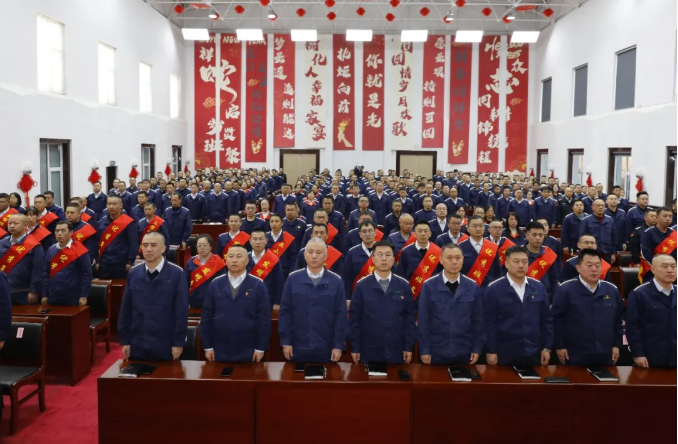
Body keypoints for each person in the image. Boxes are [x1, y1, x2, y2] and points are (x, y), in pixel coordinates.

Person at [118, 232, 188, 361]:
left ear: (163, 248)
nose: (148, 249)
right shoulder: (134, 273)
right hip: (138, 341)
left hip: (165, 342)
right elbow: (126, 309)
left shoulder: (176, 273)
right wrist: (125, 340)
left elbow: (181, 311)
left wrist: (178, 342)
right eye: (145, 245)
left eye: (153, 245)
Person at [279, 237, 348, 362]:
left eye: (318, 252)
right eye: (310, 252)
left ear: (326, 256)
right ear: (305, 256)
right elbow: (285, 313)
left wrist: (338, 345)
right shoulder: (292, 279)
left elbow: (341, 316)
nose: (314, 256)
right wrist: (286, 342)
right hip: (297, 346)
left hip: (327, 347)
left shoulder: (336, 281)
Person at [200, 244, 271, 362]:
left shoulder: (258, 285)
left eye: (239, 256)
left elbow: (264, 319)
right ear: (225, 260)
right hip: (219, 348)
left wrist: (260, 348)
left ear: (247, 260)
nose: (234, 260)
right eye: (231, 256)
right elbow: (206, 317)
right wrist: (207, 346)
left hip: (249, 348)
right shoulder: (215, 284)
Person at [484, 246, 553, 366]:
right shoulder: (494, 289)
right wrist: (491, 350)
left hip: (534, 351)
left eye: (524, 262)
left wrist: (546, 347)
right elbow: (489, 323)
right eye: (516, 261)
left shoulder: (538, 287)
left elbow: (546, 320)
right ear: (506, 264)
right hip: (504, 352)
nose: (521, 265)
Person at [552, 249, 623, 367]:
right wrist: (560, 346)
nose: (594, 269)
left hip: (605, 352)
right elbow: (557, 321)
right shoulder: (565, 290)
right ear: (578, 268)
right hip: (574, 353)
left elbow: (617, 321)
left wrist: (617, 345)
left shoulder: (611, 290)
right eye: (589, 265)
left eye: (597, 266)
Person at [348, 241, 416, 364]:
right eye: (379, 255)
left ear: (394, 259)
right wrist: (355, 347)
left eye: (388, 255)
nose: (384, 259)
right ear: (373, 259)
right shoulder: (361, 286)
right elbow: (354, 320)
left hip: (397, 350)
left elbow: (409, 319)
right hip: (368, 350)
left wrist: (408, 346)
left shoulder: (404, 285)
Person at [418, 243, 484, 365]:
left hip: (464, 350)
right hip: (436, 350)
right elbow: (423, 321)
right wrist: (425, 349)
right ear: (441, 260)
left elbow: (478, 320)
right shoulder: (429, 286)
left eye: (458, 258)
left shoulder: (472, 286)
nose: (454, 262)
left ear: (463, 260)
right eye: (449, 258)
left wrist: (476, 348)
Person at [625, 254, 677, 368]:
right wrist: (638, 353)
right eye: (664, 266)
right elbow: (632, 327)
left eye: (673, 266)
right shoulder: (639, 294)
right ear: (653, 269)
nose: (670, 270)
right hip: (650, 358)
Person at [41, 220, 92, 306]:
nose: (59, 233)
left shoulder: (80, 250)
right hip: (54, 295)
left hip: (73, 296)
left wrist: (83, 295)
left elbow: (86, 274)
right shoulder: (51, 250)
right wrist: (44, 294)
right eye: (57, 231)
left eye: (63, 230)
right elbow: (46, 273)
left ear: (71, 232)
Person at [0, 214, 44, 304]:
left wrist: (33, 290)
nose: (12, 226)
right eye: (10, 223)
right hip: (3, 290)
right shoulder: (2, 243)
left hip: (24, 291)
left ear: (25, 225)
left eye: (15, 223)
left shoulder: (34, 245)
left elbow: (38, 270)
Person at [395, 220, 442, 297]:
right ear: (414, 234)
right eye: (420, 231)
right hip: (412, 293)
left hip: (434, 293)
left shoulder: (438, 252)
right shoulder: (406, 252)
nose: (423, 234)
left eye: (425, 231)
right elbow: (401, 274)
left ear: (430, 234)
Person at [97, 195, 139, 279]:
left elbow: (133, 243)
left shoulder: (129, 222)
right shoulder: (101, 222)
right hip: (104, 262)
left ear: (121, 205)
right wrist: (97, 260)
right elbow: (97, 242)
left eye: (114, 204)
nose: (111, 207)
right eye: (109, 204)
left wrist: (130, 261)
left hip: (121, 263)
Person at [184, 234, 226, 309]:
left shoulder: (219, 262)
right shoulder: (191, 262)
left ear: (210, 247)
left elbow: (223, 284)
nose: (202, 248)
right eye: (199, 246)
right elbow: (185, 282)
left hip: (214, 302)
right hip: (194, 301)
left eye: (205, 245)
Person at [459, 216, 502, 288]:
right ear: (468, 229)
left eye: (480, 226)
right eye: (474, 226)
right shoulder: (460, 247)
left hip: (489, 288)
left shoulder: (492, 247)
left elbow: (497, 271)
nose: (478, 229)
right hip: (468, 288)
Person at [247, 228, 284, 309]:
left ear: (266, 240)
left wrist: (277, 302)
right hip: (247, 299)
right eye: (255, 239)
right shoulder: (245, 258)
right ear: (250, 241)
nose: (258, 242)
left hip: (267, 300)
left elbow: (279, 282)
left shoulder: (273, 259)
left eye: (261, 239)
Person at [523, 221, 560, 302]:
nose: (537, 238)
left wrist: (553, 301)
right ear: (527, 235)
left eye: (540, 235)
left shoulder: (549, 254)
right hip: (523, 297)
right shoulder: (518, 253)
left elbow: (554, 280)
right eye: (534, 235)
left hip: (545, 297)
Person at [343, 220, 379, 301]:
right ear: (360, 234)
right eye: (364, 231)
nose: (367, 234)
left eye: (370, 231)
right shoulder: (352, 252)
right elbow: (347, 278)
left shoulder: (383, 251)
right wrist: (347, 298)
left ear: (375, 233)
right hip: (358, 295)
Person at [639, 206, 677, 283]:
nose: (668, 219)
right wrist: (661, 266)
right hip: (653, 270)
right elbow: (645, 254)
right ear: (657, 218)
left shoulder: (675, 234)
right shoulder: (648, 233)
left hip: (672, 271)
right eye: (665, 216)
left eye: (670, 216)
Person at [579, 198, 617, 263]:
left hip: (606, 253)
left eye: (602, 205)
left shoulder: (610, 220)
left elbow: (614, 238)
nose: (600, 207)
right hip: (591, 253)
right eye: (598, 205)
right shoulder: (586, 220)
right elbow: (582, 237)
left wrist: (613, 253)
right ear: (592, 207)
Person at [267, 213, 296, 278]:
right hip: (268, 271)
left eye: (277, 221)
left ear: (282, 223)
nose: (274, 224)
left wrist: (291, 272)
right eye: (272, 222)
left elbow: (293, 258)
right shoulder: (265, 237)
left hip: (284, 271)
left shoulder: (288, 238)